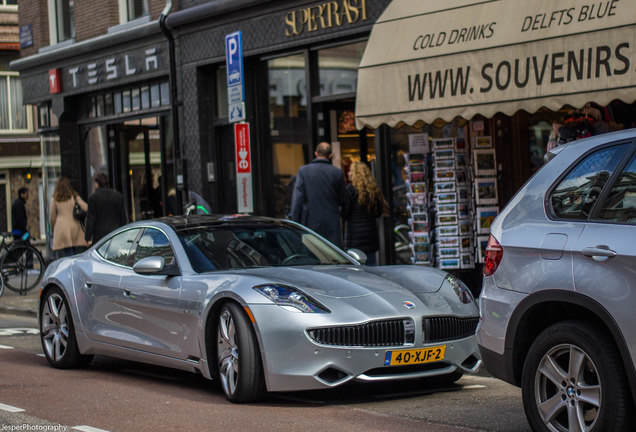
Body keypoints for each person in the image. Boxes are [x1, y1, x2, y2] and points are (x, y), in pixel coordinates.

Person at [290, 142, 346, 247]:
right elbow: (342, 199)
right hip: (332, 221)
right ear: (330, 155)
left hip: (310, 222)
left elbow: (297, 200)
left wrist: (295, 223)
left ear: (316, 153)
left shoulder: (303, 171)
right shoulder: (337, 173)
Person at [342, 161, 389, 266]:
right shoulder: (372, 190)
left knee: (355, 269)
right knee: (371, 266)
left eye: (351, 171)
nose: (348, 173)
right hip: (370, 236)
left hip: (354, 237)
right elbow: (378, 212)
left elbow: (345, 213)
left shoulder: (350, 190)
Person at [49, 177, 89, 258]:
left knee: (66, 253)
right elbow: (86, 207)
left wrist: (53, 229)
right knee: (74, 251)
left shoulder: (55, 198)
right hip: (75, 227)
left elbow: (52, 217)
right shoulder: (74, 196)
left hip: (61, 228)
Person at [85, 172, 128, 244]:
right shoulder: (118, 196)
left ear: (97, 184)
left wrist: (88, 237)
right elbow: (123, 217)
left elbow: (91, 220)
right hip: (115, 233)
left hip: (100, 235)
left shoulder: (93, 198)